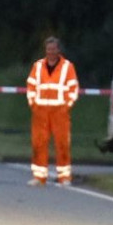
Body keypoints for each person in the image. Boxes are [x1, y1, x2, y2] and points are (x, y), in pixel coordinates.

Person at [26, 36, 79, 186]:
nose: (50, 52)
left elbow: (73, 89)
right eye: (48, 49)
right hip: (40, 112)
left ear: (58, 50)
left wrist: (65, 107)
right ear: (45, 50)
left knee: (62, 144)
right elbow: (31, 86)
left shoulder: (68, 67)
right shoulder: (37, 66)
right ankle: (39, 176)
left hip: (59, 112)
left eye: (53, 49)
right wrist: (34, 105)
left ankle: (64, 177)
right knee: (38, 144)